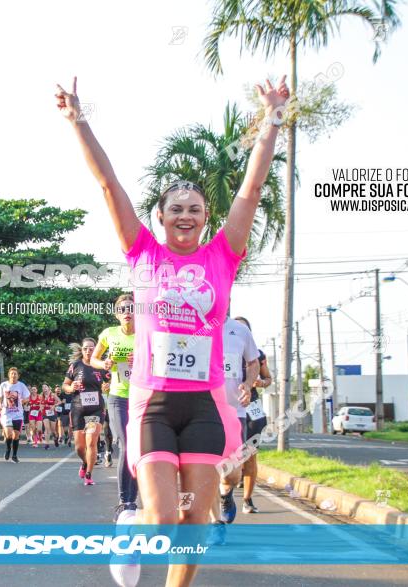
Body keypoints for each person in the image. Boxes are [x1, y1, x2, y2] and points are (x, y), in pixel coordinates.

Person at [56, 74, 286, 586]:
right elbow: (108, 184)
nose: (185, 216)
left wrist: (271, 120)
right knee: (162, 520)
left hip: (205, 405)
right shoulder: (143, 252)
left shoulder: (223, 255)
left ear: (206, 219)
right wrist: (78, 120)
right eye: (176, 209)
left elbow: (251, 188)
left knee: (192, 524)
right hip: (155, 403)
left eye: (195, 210)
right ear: (160, 217)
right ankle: (129, 527)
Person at [206, 316, 259, 544]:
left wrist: (248, 384)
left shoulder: (240, 330)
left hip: (234, 409)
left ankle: (226, 494)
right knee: (208, 470)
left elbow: (254, 363)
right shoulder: (195, 327)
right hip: (203, 409)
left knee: (233, 473)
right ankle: (215, 522)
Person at [91, 293, 137, 518]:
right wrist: (104, 363)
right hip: (118, 396)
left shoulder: (146, 333)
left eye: (131, 307)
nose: (127, 312)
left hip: (142, 397)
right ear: (116, 314)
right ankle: (123, 499)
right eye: (122, 309)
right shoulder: (109, 334)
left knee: (139, 449)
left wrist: (142, 362)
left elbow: (160, 360)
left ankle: (133, 501)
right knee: (127, 445)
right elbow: (94, 359)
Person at [234, 316, 272, 514]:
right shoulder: (220, 350)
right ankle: (224, 495)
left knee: (250, 455)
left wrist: (260, 383)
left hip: (252, 407)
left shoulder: (258, 355)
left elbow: (268, 378)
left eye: (244, 329)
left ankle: (247, 500)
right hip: (227, 405)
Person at [63, 338, 109, 486]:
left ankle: (89, 474)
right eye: (85, 348)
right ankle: (85, 462)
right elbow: (65, 385)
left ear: (96, 349)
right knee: (79, 447)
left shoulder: (101, 367)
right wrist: (71, 388)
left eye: (91, 348)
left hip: (95, 409)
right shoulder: (75, 365)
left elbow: (109, 384)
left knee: (91, 441)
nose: (88, 351)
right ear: (81, 350)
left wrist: (107, 388)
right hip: (78, 408)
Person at [0, 367, 29, 462]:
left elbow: (27, 397)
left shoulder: (21, 386)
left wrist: (24, 400)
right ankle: (8, 449)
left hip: (18, 414)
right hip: (6, 413)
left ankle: (14, 455)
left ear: (18, 376)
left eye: (15, 374)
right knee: (8, 433)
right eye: (12, 373)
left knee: (16, 435)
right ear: (9, 375)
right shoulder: (4, 385)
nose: (13, 375)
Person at [42, 384, 59, 449]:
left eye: (45, 387)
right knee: (47, 428)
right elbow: (40, 403)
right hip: (45, 413)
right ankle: (47, 444)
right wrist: (41, 406)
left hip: (52, 414)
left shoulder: (53, 395)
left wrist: (54, 406)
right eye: (43, 387)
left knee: (53, 430)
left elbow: (59, 402)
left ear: (48, 388)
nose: (44, 388)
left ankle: (55, 438)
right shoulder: (41, 395)